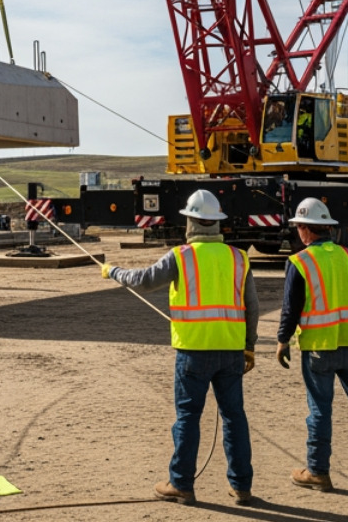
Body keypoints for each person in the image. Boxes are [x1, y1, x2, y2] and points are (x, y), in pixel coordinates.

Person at [100, 189, 257, 505]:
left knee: (187, 417)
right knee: (234, 418)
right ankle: (242, 487)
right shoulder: (239, 258)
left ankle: (181, 484)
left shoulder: (181, 256)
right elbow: (251, 306)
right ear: (216, 222)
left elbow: (145, 280)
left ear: (191, 222)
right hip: (231, 351)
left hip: (193, 352)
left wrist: (113, 271)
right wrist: (249, 346)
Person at [275, 198, 348, 496]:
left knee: (319, 412)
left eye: (298, 227)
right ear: (327, 227)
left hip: (318, 349)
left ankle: (318, 472)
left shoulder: (300, 262)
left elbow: (291, 308)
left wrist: (283, 341)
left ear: (305, 229)